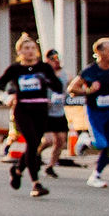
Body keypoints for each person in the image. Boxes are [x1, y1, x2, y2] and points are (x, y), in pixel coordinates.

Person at [0, 36, 61, 197]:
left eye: (33, 48)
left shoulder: (44, 68)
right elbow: (1, 84)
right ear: (19, 51)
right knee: (32, 142)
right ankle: (36, 184)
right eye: (26, 48)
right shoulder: (15, 69)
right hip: (23, 109)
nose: (30, 51)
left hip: (40, 109)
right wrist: (11, 94)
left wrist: (48, 81)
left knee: (33, 145)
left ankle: (18, 170)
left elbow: (58, 86)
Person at [69, 38, 109, 187]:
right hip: (95, 111)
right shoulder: (90, 71)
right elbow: (72, 89)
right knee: (100, 143)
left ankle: (96, 175)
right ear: (99, 52)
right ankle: (85, 140)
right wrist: (88, 90)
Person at [43, 50, 73, 178]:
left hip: (59, 112)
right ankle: (36, 153)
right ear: (47, 61)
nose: (56, 61)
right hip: (46, 112)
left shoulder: (65, 74)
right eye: (52, 59)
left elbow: (73, 86)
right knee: (48, 140)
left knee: (61, 141)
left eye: (57, 58)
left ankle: (51, 166)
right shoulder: (43, 75)